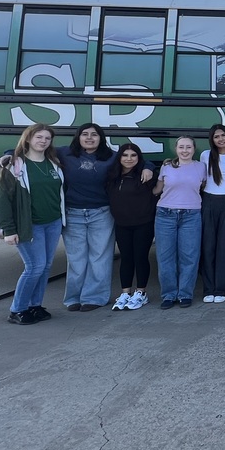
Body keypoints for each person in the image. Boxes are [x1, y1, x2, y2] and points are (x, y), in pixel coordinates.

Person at [60, 123, 151, 312]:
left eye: (94, 134)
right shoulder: (65, 153)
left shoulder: (110, 156)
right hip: (73, 212)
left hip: (101, 212)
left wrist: (148, 167)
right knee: (76, 259)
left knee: (100, 257)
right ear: (78, 137)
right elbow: (34, 149)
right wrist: (9, 153)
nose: (89, 138)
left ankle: (94, 298)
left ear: (101, 138)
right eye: (84, 134)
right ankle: (73, 298)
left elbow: (136, 159)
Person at [0, 123, 65, 325]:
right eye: (38, 137)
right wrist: (8, 229)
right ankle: (17, 310)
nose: (43, 141)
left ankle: (35, 306)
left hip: (52, 222)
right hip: (29, 224)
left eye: (47, 138)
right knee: (34, 266)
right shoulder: (13, 166)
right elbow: (2, 200)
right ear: (28, 139)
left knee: (45, 266)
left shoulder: (53, 163)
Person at [152, 136, 207, 309]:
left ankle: (185, 294)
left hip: (191, 215)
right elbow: (157, 190)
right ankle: (168, 295)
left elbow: (203, 187)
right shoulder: (166, 166)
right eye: (181, 147)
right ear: (176, 149)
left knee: (189, 257)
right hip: (165, 214)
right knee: (165, 257)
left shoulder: (201, 167)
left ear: (194, 149)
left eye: (188, 147)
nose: (185, 150)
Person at [106, 144, 157, 311]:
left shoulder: (146, 175)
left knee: (141, 257)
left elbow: (157, 190)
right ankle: (125, 293)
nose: (129, 159)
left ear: (139, 157)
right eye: (125, 155)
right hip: (122, 224)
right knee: (126, 258)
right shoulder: (112, 175)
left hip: (143, 223)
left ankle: (141, 293)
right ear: (119, 157)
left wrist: (148, 166)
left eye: (133, 155)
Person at [200, 124, 225, 304]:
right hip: (209, 202)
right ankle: (208, 288)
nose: (221, 139)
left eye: (223, 135)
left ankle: (221, 289)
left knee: (224, 248)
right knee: (208, 247)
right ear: (212, 139)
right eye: (216, 136)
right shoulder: (205, 155)